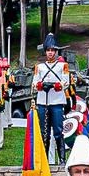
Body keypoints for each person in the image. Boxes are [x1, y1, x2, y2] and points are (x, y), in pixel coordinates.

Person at [33, 35, 71, 163]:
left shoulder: (63, 66)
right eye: (48, 50)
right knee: (44, 132)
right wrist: (40, 85)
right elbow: (34, 83)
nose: (50, 53)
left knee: (58, 131)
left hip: (57, 101)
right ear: (45, 51)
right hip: (43, 101)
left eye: (53, 50)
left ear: (56, 52)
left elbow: (66, 82)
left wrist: (55, 85)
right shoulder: (39, 67)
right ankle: (44, 159)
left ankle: (61, 159)